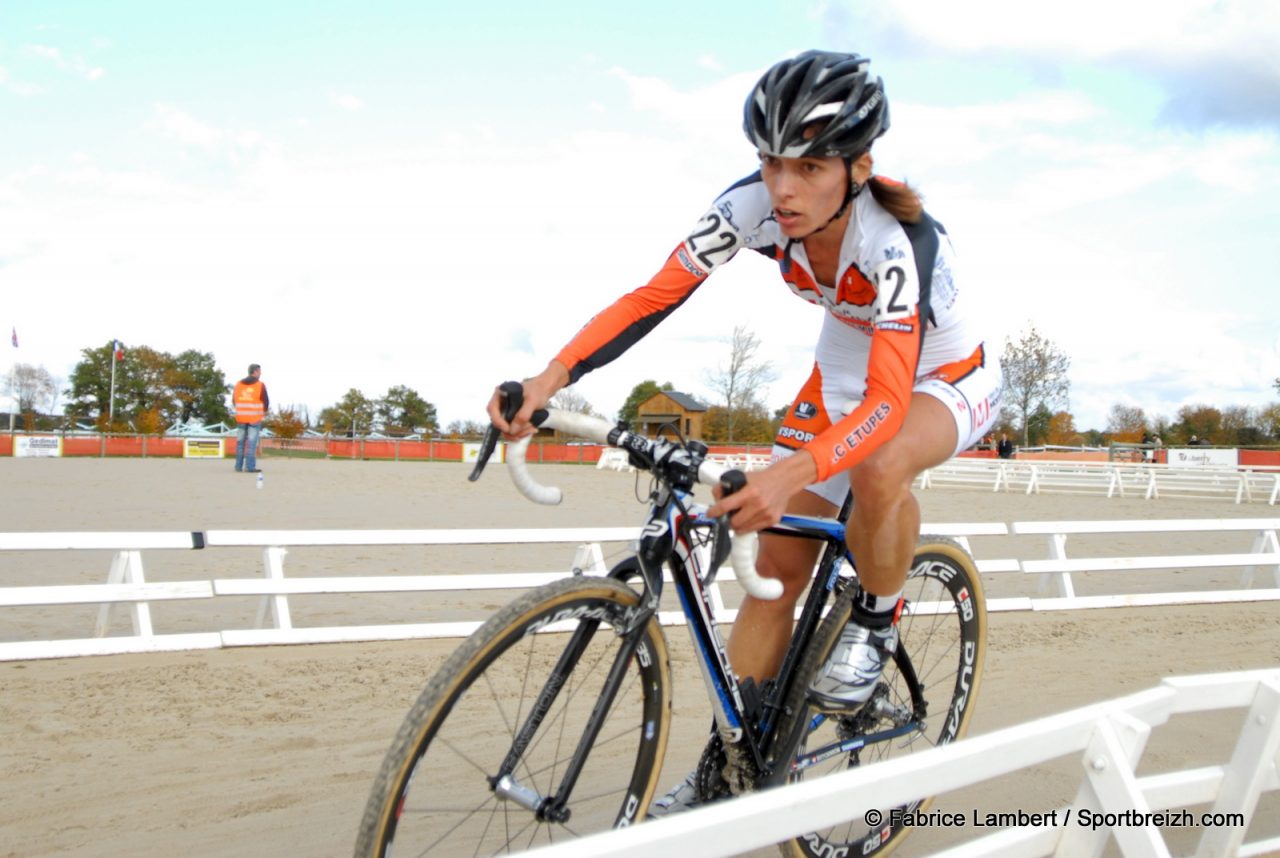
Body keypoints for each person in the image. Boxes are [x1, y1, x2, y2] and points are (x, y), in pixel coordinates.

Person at [487, 50, 1002, 813]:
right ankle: (730, 765)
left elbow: (889, 405)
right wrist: (549, 379)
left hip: (941, 377)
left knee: (879, 464)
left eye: (811, 166)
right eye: (770, 161)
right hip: (844, 372)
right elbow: (652, 297)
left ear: (859, 167)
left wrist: (785, 477)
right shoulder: (749, 208)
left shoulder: (895, 244)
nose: (785, 188)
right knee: (773, 579)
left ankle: (876, 620)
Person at [232, 363, 269, 473]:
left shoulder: (238, 384)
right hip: (254, 418)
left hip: (241, 418)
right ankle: (250, 467)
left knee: (240, 443)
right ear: (255, 372)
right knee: (251, 444)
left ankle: (238, 466)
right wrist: (262, 412)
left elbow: (234, 400)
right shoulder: (260, 385)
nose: (261, 373)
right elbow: (266, 401)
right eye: (259, 371)